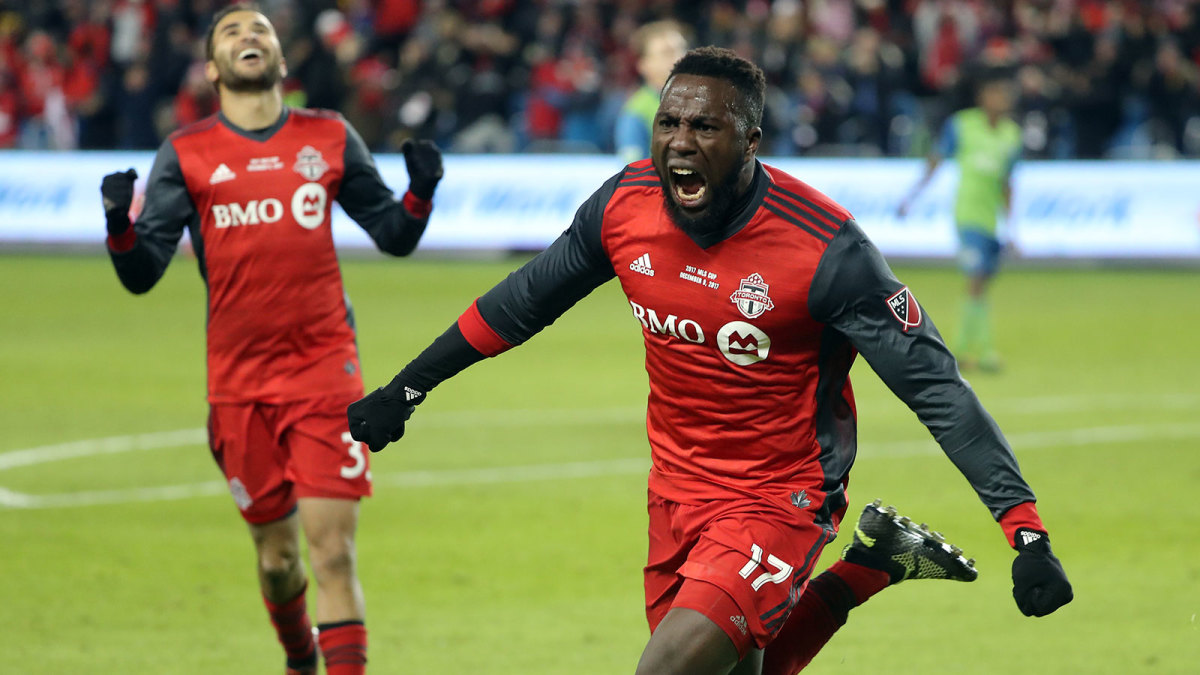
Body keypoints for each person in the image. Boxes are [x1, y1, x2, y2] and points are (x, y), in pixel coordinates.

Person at [349, 48, 1071, 674]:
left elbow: (935, 387)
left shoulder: (827, 252)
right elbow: (522, 300)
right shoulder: (624, 206)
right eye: (669, 123)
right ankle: (866, 568)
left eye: (705, 127)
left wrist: (1026, 530)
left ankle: (857, 564)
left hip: (781, 494)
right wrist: (407, 386)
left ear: (750, 139)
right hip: (676, 489)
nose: (680, 144)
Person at [98, 4, 444, 674]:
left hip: (325, 373)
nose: (248, 36)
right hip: (239, 386)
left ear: (283, 61)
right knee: (279, 559)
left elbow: (393, 235)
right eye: (231, 32)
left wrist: (420, 193)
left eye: (261, 30)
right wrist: (119, 226)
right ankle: (298, 654)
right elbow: (144, 273)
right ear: (211, 68)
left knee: (334, 553)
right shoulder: (188, 153)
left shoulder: (329, 136)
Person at [898, 71, 1022, 372]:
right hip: (967, 216)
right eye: (995, 94)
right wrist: (912, 196)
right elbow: (936, 159)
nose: (1000, 100)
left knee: (983, 285)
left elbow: (1007, 183)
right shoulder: (963, 125)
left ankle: (974, 350)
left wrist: (1011, 227)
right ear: (983, 98)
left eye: (1004, 95)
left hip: (991, 220)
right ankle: (973, 351)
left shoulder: (1011, 135)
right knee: (976, 281)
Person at [615, 20, 688, 164]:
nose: (679, 57)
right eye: (667, 53)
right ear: (644, 65)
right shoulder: (636, 112)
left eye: (682, 48)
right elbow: (633, 174)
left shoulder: (707, 99)